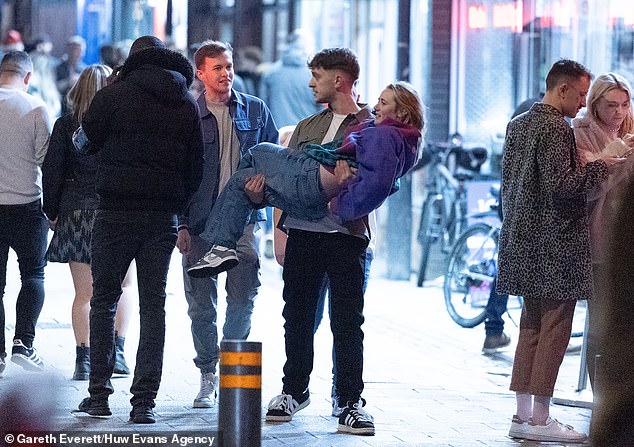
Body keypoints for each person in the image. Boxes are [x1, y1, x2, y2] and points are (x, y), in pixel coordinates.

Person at [73, 36, 203, 424]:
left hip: (114, 211)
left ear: (132, 60)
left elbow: (82, 143)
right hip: (161, 217)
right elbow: (196, 166)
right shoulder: (186, 103)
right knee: (154, 304)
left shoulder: (113, 96)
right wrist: (177, 203)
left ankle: (98, 396)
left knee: (103, 300)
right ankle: (144, 401)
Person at [497, 59, 624, 443]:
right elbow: (564, 186)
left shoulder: (518, 124)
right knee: (554, 331)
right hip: (556, 245)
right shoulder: (556, 127)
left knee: (530, 329)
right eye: (582, 94)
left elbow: (510, 186)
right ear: (563, 89)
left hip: (521, 241)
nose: (582, 102)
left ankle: (523, 415)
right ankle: (540, 420)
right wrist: (604, 162)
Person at [188, 82, 423, 279]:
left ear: (401, 113)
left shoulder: (386, 135)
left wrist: (342, 204)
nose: (375, 107)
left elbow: (375, 186)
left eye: (383, 103)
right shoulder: (399, 138)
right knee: (242, 179)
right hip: (314, 186)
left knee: (257, 152)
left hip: (311, 176)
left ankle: (222, 244)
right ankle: (223, 246)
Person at [175, 40, 278, 409]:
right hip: (199, 223)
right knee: (201, 303)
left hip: (244, 221)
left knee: (243, 297)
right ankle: (207, 373)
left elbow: (272, 160)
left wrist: (261, 187)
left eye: (229, 66)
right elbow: (179, 174)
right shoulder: (187, 113)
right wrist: (181, 224)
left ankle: (232, 370)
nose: (226, 73)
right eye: (217, 68)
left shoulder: (255, 110)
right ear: (200, 73)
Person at [41, 64, 135, 381]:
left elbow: (51, 172)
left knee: (84, 293)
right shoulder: (121, 124)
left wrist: (51, 210)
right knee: (122, 287)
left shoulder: (65, 125)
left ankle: (83, 359)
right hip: (117, 212)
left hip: (76, 213)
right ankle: (117, 355)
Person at [572, 72, 634, 388]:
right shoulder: (580, 133)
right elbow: (588, 190)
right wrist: (614, 159)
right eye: (611, 105)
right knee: (601, 322)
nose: (619, 112)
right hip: (598, 238)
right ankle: (602, 396)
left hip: (626, 239)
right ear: (595, 104)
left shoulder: (631, 131)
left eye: (624, 104)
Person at [0, 51, 51, 374]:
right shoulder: (35, 107)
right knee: (33, 273)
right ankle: (24, 343)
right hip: (27, 205)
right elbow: (46, 159)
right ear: (28, 77)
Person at [259, 30, 321, 128]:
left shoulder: (271, 73)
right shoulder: (317, 75)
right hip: (307, 134)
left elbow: (262, 109)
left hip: (278, 135)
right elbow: (322, 111)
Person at [56, 35, 87, 115]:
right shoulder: (58, 67)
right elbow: (52, 87)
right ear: (67, 50)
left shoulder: (85, 69)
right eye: (73, 50)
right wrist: (68, 82)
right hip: (61, 107)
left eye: (79, 50)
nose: (75, 53)